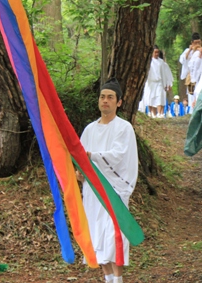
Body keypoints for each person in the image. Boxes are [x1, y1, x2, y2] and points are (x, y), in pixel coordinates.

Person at [76, 78, 138, 283]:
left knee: (115, 235)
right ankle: (107, 278)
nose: (105, 101)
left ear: (118, 102)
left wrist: (91, 156)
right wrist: (80, 173)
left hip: (114, 189)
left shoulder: (124, 128)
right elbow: (80, 158)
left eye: (110, 97)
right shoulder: (89, 130)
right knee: (97, 235)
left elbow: (119, 155)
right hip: (93, 190)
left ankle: (118, 279)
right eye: (102, 97)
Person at [139, 46, 171, 118]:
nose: (156, 54)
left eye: (158, 52)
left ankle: (160, 113)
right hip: (151, 82)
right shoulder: (148, 61)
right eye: (155, 52)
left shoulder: (161, 62)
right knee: (151, 97)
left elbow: (164, 73)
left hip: (159, 82)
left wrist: (166, 84)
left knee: (159, 96)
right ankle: (152, 113)